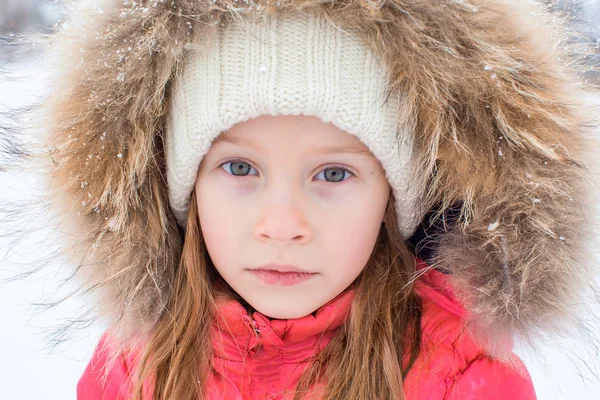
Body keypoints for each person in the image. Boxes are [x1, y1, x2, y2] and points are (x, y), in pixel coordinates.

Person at [28, 0, 598, 399]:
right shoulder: (132, 369)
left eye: (332, 173)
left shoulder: (461, 375)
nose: (282, 225)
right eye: (239, 167)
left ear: (394, 201)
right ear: (184, 188)